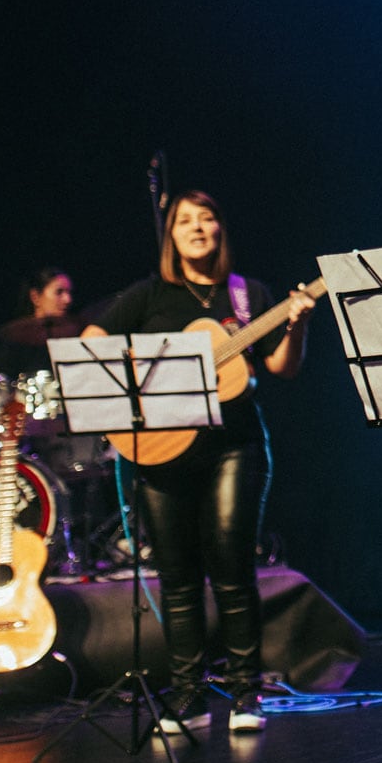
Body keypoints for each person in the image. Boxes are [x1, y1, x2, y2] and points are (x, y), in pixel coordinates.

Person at [85, 191, 314, 733]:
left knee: (233, 567)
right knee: (177, 575)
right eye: (184, 220)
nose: (195, 227)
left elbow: (281, 368)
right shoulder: (148, 295)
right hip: (161, 448)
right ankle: (188, 694)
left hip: (234, 445)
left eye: (206, 217)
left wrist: (297, 322)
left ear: (219, 229)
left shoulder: (247, 294)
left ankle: (245, 693)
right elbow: (93, 343)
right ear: (170, 235)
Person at [0, 267, 77, 376]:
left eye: (69, 292)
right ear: (35, 296)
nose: (68, 299)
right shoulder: (16, 336)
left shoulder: (77, 332)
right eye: (59, 292)